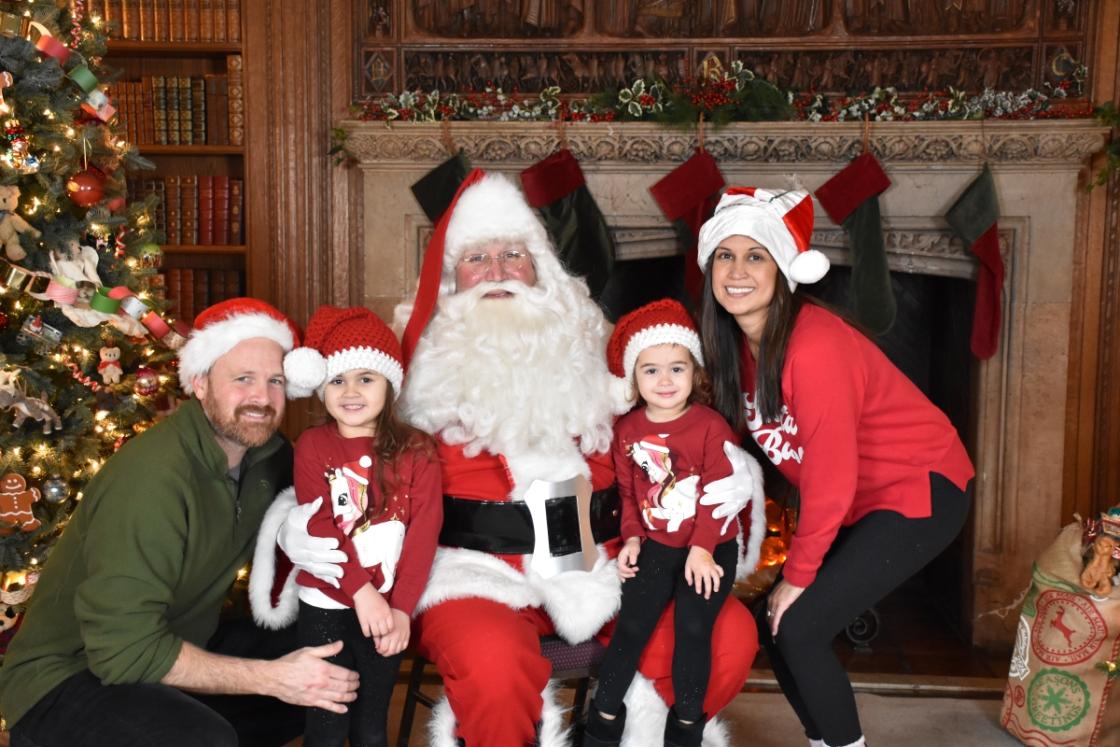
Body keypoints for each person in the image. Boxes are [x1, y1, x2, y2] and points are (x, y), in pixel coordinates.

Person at [264, 171, 766, 747]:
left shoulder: (594, 353)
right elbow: (341, 451)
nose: (498, 272)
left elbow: (668, 435)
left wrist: (732, 477)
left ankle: (627, 733)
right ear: (453, 279)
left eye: (513, 255)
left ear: (543, 273)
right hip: (474, 575)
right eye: (477, 257)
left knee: (726, 633)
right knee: (493, 666)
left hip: (608, 565)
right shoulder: (411, 373)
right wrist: (296, 522)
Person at [0, 298, 360, 747]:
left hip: (173, 645)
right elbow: (122, 652)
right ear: (199, 382)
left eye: (275, 382)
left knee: (334, 663)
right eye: (242, 379)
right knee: (205, 737)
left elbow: (339, 505)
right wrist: (273, 678)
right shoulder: (152, 479)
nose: (261, 399)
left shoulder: (269, 457)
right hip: (67, 676)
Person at [695, 187, 975, 747]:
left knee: (797, 624)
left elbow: (830, 475)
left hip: (921, 487)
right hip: (863, 498)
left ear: (782, 270)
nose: (738, 270)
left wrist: (798, 575)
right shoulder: (740, 348)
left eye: (756, 256)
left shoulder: (813, 347)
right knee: (779, 630)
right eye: (725, 255)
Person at [250, 305, 442, 747]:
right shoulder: (314, 446)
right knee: (327, 718)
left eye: (365, 378)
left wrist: (400, 608)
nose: (350, 391)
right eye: (337, 380)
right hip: (328, 603)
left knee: (372, 721)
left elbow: (423, 535)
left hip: (390, 607)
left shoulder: (417, 450)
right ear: (321, 388)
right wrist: (361, 593)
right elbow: (319, 525)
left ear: (389, 384)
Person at [584, 299, 754, 747]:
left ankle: (685, 728)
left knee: (692, 629)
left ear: (695, 374)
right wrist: (633, 540)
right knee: (633, 626)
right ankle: (602, 722)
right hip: (657, 543)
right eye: (651, 370)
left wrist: (701, 550)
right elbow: (628, 494)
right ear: (633, 379)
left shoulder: (711, 427)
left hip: (711, 544)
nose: (664, 381)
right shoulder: (628, 430)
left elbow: (720, 499)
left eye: (677, 369)